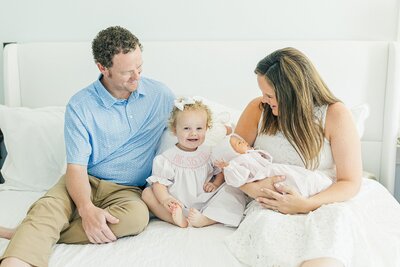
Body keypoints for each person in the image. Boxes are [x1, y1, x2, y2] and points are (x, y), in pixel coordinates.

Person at [0, 26, 175, 267]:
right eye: (127, 72)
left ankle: (32, 232)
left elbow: (191, 121)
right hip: (85, 180)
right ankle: (22, 252)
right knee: (50, 207)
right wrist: (86, 208)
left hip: (127, 190)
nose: (136, 77)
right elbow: (76, 168)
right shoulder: (81, 105)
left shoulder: (160, 95)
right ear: (103, 68)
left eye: (140, 68)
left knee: (136, 218)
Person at [225, 47, 400, 267]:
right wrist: (253, 188)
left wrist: (306, 204)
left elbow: (350, 181)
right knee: (269, 231)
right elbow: (232, 161)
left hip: (325, 201)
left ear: (292, 92)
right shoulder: (258, 110)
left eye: (270, 95)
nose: (264, 99)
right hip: (271, 205)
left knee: (333, 230)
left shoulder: (335, 115)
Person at [142, 97, 246, 228]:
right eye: (186, 128)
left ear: (206, 129)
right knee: (147, 194)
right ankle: (176, 218)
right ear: (175, 130)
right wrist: (165, 199)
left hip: (206, 200)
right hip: (177, 203)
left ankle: (207, 218)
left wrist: (215, 183)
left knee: (233, 188)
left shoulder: (209, 152)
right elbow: (159, 184)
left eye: (199, 128)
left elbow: (220, 171)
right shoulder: (166, 158)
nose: (193, 133)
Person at [212, 133, 333, 197]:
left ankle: (318, 183)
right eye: (239, 143)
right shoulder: (237, 162)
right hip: (267, 174)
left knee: (296, 173)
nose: (243, 141)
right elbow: (237, 179)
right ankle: (313, 186)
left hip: (273, 169)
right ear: (232, 152)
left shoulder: (249, 153)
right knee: (292, 178)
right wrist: (228, 167)